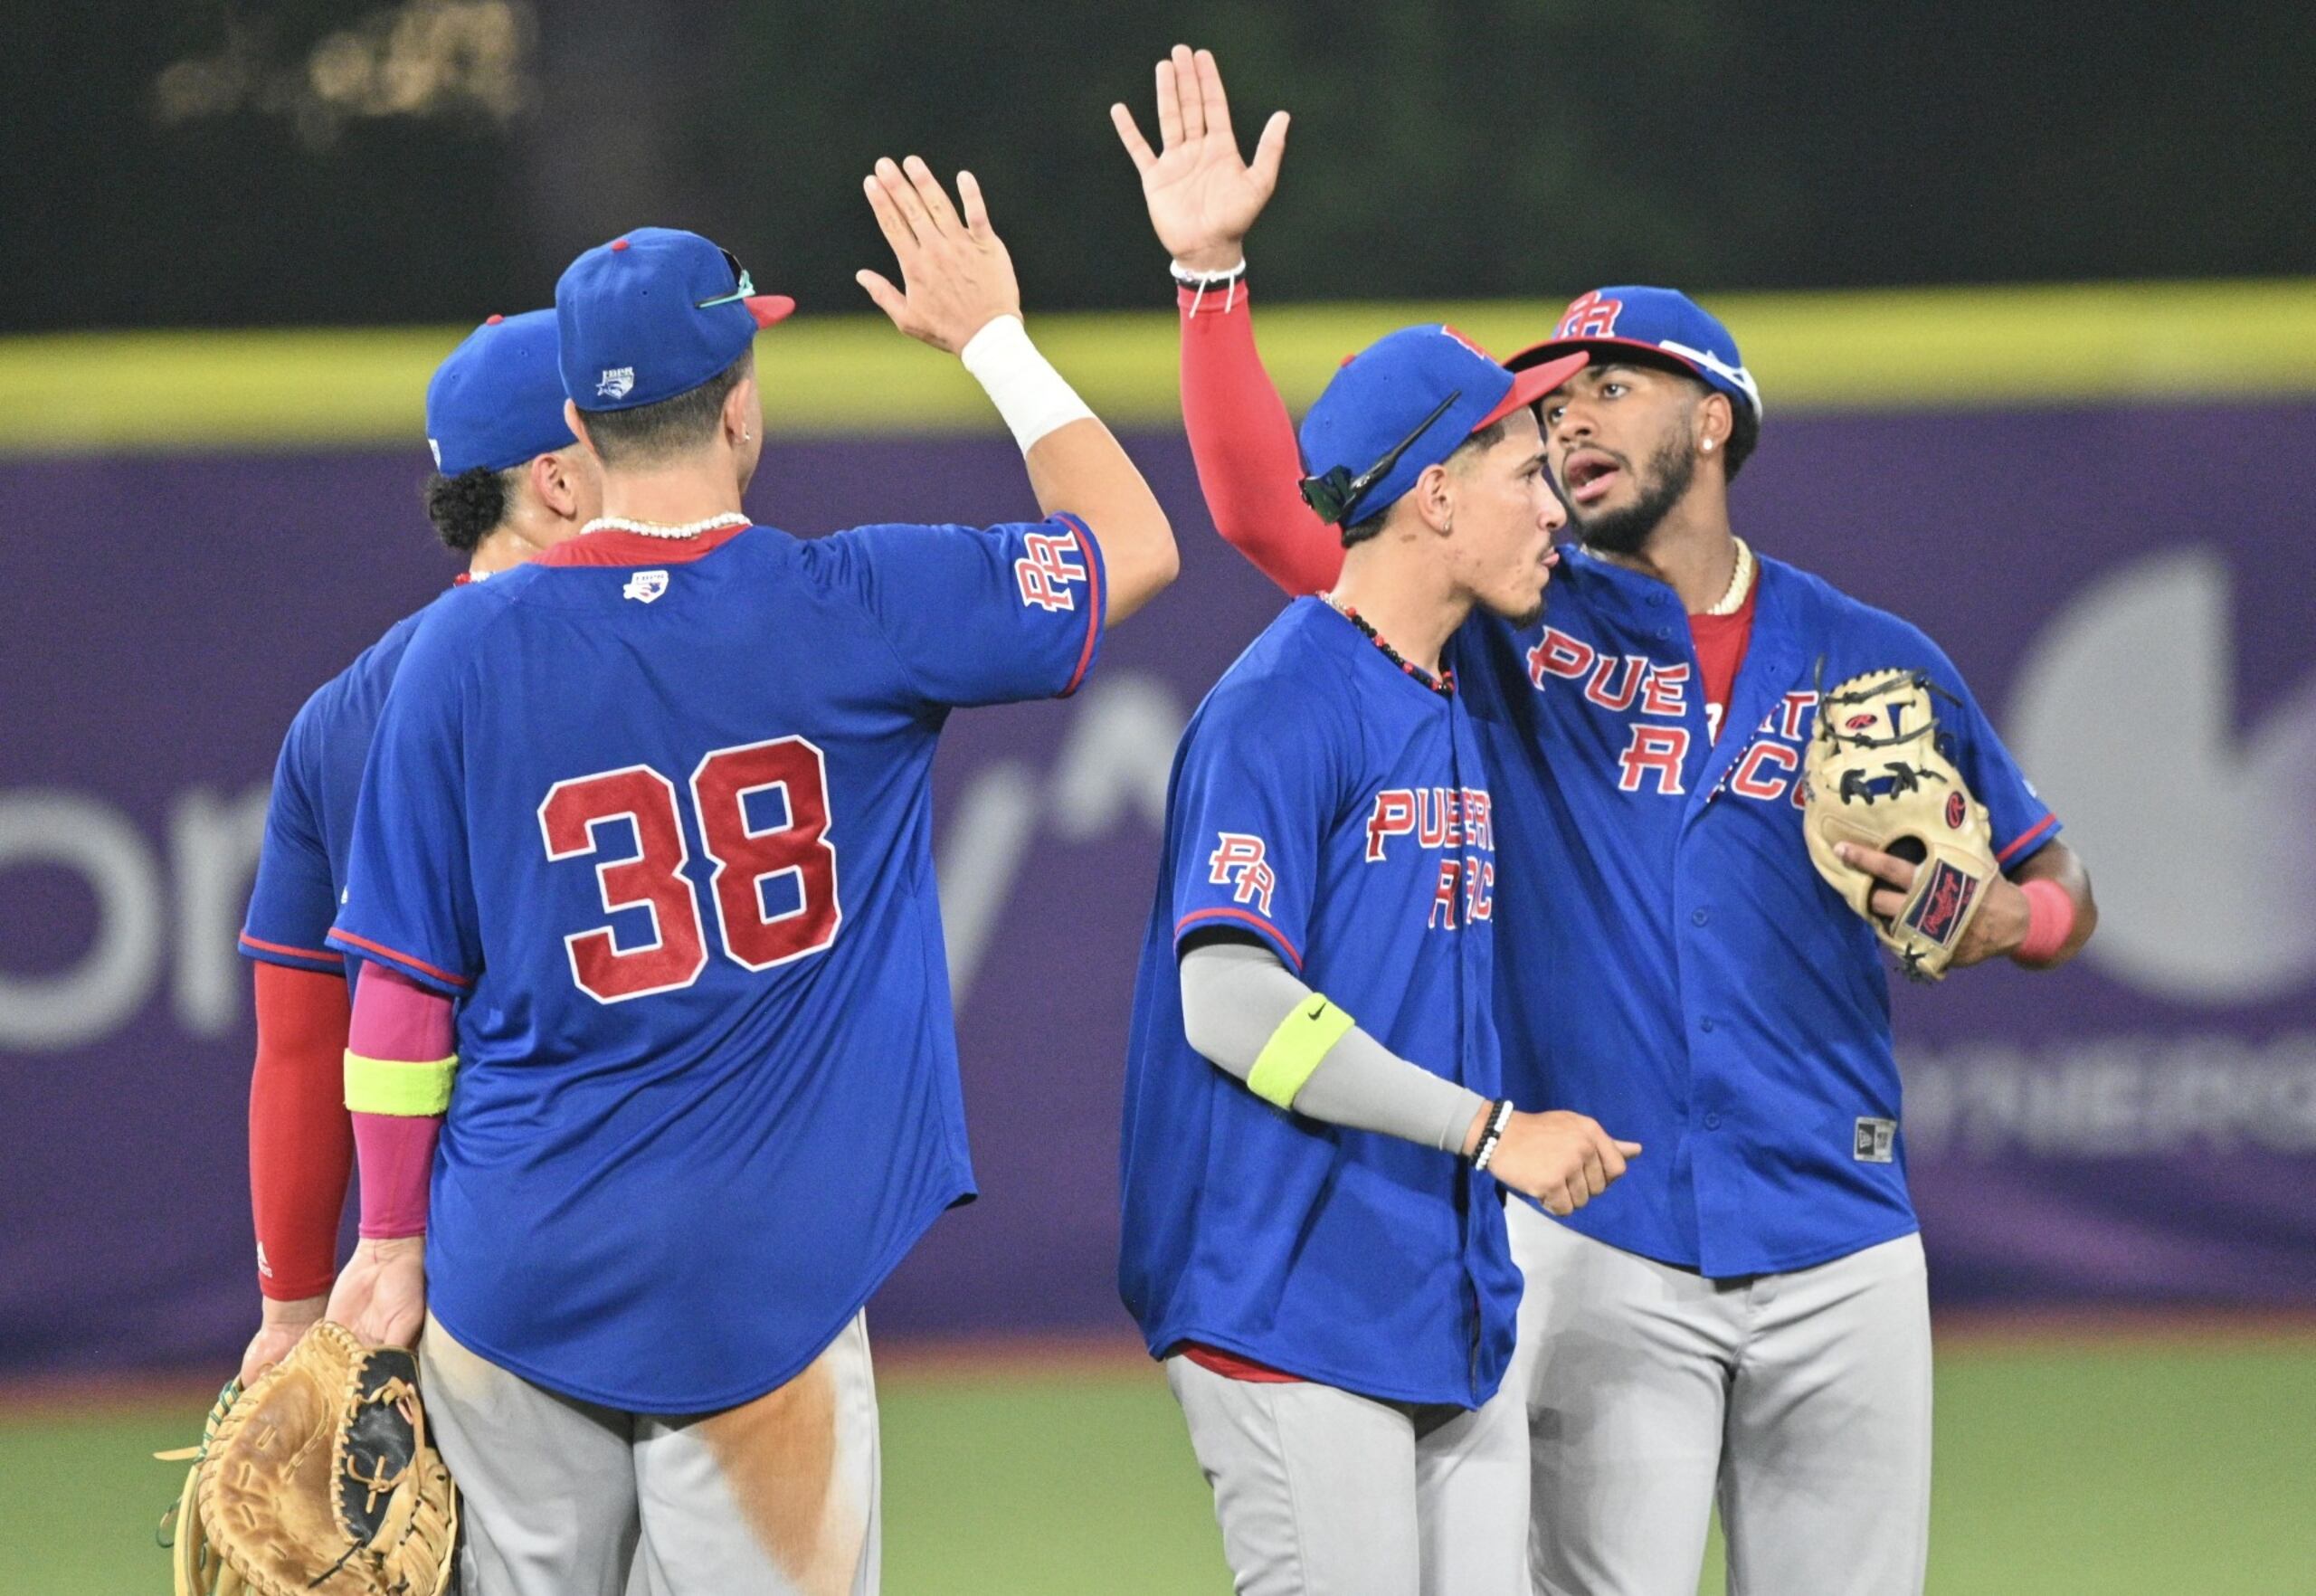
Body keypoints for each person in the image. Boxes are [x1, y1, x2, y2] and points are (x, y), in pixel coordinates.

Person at [1115, 45, 2098, 1596]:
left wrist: (2009, 921)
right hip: (1602, 1225)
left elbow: (2060, 881)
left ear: (1714, 420)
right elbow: (1272, 508)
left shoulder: (1873, 653)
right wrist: (1211, 272)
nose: (1567, 425)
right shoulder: (1514, 608)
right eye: (1546, 409)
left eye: (1607, 391)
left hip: (1837, 1221)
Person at [322, 158, 1177, 1596]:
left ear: (579, 426)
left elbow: (401, 995)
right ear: (737, 402)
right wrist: (994, 342)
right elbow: (1137, 543)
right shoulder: (860, 603)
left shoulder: (459, 653)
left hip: (515, 1263)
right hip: (765, 1280)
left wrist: (389, 1247)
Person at [1121, 320, 1641, 1595]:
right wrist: (1489, 1130)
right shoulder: (1282, 703)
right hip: (1288, 1293)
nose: (1554, 510)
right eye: (1527, 474)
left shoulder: (1442, 688)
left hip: (1431, 1293)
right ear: (1437, 492)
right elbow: (1230, 1004)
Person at [233, 309, 598, 1385]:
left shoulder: (341, 716)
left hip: (458, 1269)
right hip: (688, 1226)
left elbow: (300, 1044)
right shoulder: (689, 644)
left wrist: (290, 1312)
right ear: (557, 480)